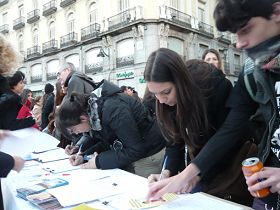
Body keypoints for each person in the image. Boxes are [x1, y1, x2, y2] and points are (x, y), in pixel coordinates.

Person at [147, 1, 280, 209]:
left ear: (277, 13)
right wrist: (181, 173)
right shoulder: (252, 70)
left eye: (246, 30)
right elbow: (234, 124)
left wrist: (189, 174)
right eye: (235, 34)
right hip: (268, 189)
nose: (239, 44)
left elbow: (234, 133)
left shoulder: (211, 84)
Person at [144, 48, 236, 197]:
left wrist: (195, 175)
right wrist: (166, 172)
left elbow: (226, 141)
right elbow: (174, 141)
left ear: (180, 82)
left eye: (166, 92)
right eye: (155, 94)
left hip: (228, 172)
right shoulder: (165, 102)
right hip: (195, 173)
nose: (161, 100)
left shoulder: (215, 88)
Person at [56, 79, 166, 178]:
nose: (77, 133)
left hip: (150, 154)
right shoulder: (96, 112)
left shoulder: (113, 109)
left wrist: (98, 162)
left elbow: (135, 150)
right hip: (134, 153)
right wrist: (83, 155)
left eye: (74, 130)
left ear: (83, 118)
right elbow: (108, 141)